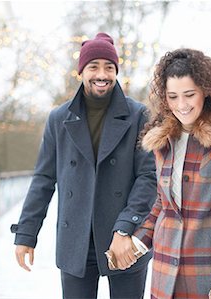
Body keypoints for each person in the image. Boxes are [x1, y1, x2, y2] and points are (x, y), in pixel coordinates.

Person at [111, 48, 211, 299]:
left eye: (189, 95)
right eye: (173, 96)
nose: (182, 105)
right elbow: (163, 203)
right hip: (166, 268)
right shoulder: (162, 134)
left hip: (210, 263)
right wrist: (139, 241)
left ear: (205, 91)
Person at [10, 32, 157, 299]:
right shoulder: (59, 118)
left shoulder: (139, 115)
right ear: (81, 71)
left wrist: (125, 227)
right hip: (75, 240)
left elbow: (148, 177)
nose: (102, 74)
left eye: (109, 67)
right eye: (94, 66)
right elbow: (43, 179)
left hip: (123, 237)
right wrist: (26, 234)